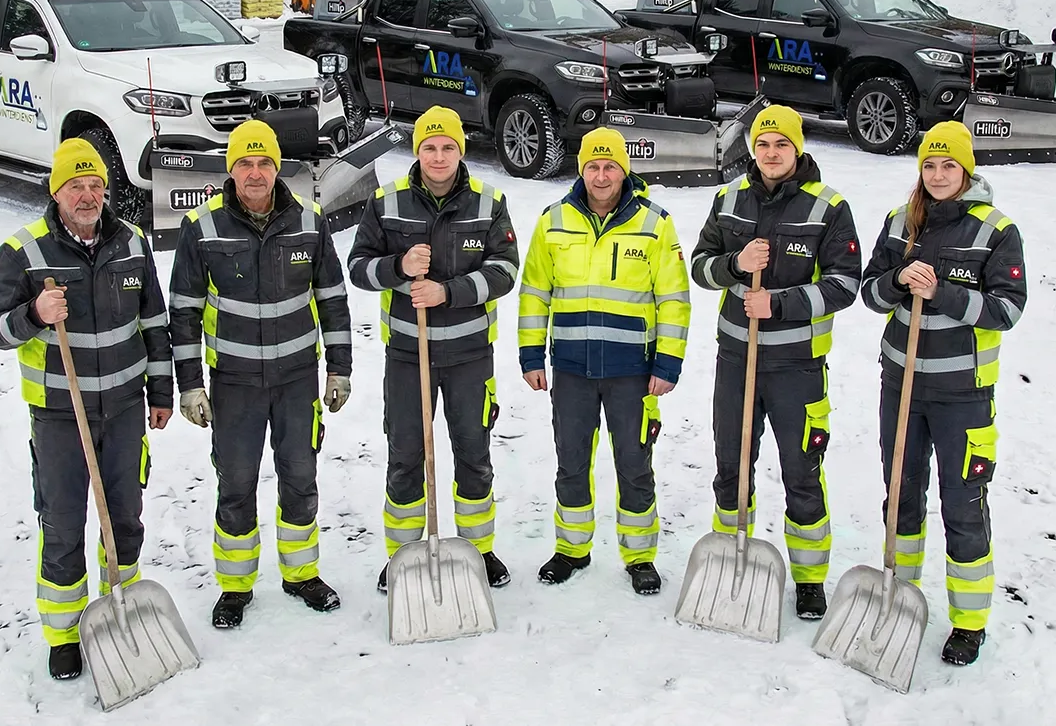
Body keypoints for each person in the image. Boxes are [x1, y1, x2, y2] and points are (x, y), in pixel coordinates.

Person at [0, 139, 173, 681]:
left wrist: (161, 393)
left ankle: (123, 602)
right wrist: (34, 314)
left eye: (94, 185)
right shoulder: (25, 251)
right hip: (60, 413)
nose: (87, 195)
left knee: (124, 516)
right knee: (63, 522)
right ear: (56, 191)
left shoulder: (131, 242)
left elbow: (153, 324)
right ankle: (63, 633)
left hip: (125, 408)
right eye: (75, 185)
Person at [169, 120, 352, 626]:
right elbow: (181, 311)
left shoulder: (310, 223)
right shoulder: (201, 228)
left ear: (278, 168)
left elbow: (333, 301)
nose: (255, 173)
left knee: (299, 476)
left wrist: (339, 369)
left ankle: (300, 574)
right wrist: (189, 384)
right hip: (235, 383)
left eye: (264, 163)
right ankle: (235, 586)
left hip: (298, 381)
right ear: (231, 170)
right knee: (236, 483)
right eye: (245, 163)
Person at [860, 121, 1025, 666]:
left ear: (966, 169)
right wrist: (897, 283)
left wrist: (945, 293)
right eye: (929, 165)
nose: (937, 175)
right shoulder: (899, 221)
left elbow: (1007, 310)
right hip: (901, 382)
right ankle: (899, 596)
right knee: (901, 494)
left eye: (948, 165)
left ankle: (969, 622)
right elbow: (870, 292)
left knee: (963, 503)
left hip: (963, 393)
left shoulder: (995, 231)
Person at [690, 104, 861, 619]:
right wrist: (735, 266)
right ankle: (729, 560)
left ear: (798, 148)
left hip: (797, 366)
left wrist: (780, 303)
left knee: (801, 469)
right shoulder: (728, 198)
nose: (770, 153)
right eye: (763, 144)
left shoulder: (828, 207)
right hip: (736, 359)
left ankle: (810, 578)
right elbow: (700, 265)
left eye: (781, 145)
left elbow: (845, 284)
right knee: (730, 466)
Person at [348, 106, 519, 592]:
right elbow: (358, 267)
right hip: (408, 354)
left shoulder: (488, 202)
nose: (438, 156)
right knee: (405, 454)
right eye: (429, 146)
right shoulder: (387, 202)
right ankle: (403, 554)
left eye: (447, 147)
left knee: (473, 453)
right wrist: (399, 266)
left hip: (469, 357)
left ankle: (479, 550)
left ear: (460, 151)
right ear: (417, 151)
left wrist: (450, 292)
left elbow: (506, 271)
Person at [518, 128, 691, 595]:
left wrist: (667, 364)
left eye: (610, 166)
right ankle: (572, 549)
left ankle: (639, 556)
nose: (601, 175)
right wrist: (532, 354)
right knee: (571, 461)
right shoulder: (552, 221)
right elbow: (535, 292)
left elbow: (673, 298)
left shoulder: (655, 224)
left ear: (624, 169)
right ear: (581, 169)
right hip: (571, 367)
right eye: (592, 166)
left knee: (634, 462)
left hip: (632, 371)